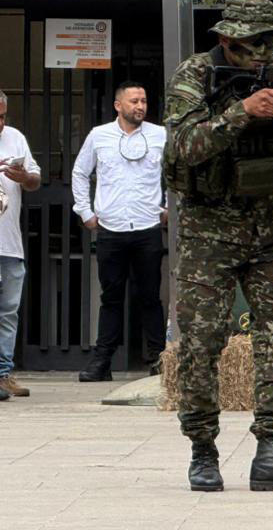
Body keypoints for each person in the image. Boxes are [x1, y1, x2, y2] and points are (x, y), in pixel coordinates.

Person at [164, 0, 273, 492]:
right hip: (208, 230)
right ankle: (203, 451)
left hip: (271, 227)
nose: (264, 52)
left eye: (270, 42)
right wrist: (241, 111)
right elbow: (182, 145)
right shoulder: (194, 76)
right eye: (252, 43)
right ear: (226, 40)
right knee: (201, 345)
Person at [72, 81, 168, 382]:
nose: (140, 106)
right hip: (111, 229)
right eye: (134, 101)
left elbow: (176, 172)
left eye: (143, 101)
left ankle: (159, 360)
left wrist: (168, 208)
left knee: (150, 297)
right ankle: (102, 362)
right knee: (111, 298)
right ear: (118, 105)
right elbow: (79, 172)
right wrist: (85, 212)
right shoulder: (99, 136)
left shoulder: (159, 135)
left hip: (147, 226)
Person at [0, 90, 41, 400]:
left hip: (9, 242)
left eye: (3, 117)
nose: (0, 124)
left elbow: (35, 181)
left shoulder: (15, 138)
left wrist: (24, 176)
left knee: (8, 311)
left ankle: (3, 373)